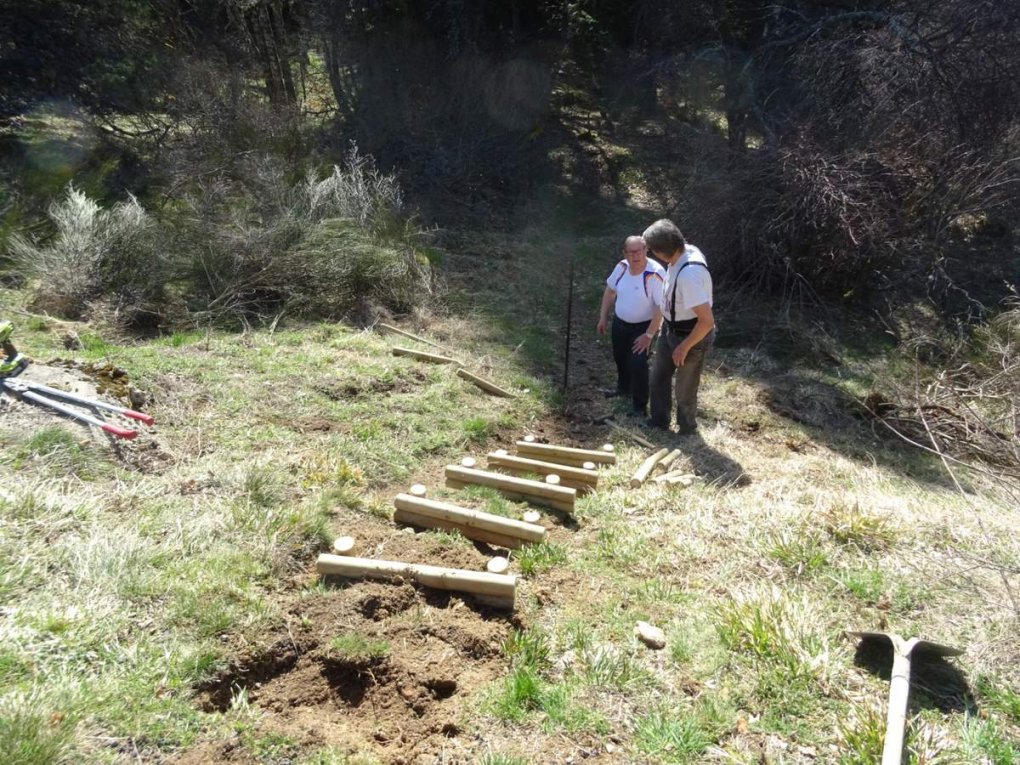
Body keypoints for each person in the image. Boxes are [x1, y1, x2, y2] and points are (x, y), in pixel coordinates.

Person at [632, 219, 714, 434]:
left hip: (691, 335)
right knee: (658, 375)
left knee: (685, 388)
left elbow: (707, 321)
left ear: (661, 251)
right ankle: (659, 421)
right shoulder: (683, 251)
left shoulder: (689, 275)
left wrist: (684, 346)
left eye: (652, 250)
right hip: (670, 328)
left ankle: (687, 429)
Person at [596, 235, 665, 414]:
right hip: (620, 323)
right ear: (624, 253)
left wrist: (649, 335)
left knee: (638, 363)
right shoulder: (621, 267)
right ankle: (623, 388)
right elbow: (610, 291)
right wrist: (603, 316)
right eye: (631, 252)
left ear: (646, 250)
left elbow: (661, 307)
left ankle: (639, 406)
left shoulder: (655, 274)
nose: (636, 255)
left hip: (643, 327)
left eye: (640, 250)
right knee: (620, 357)